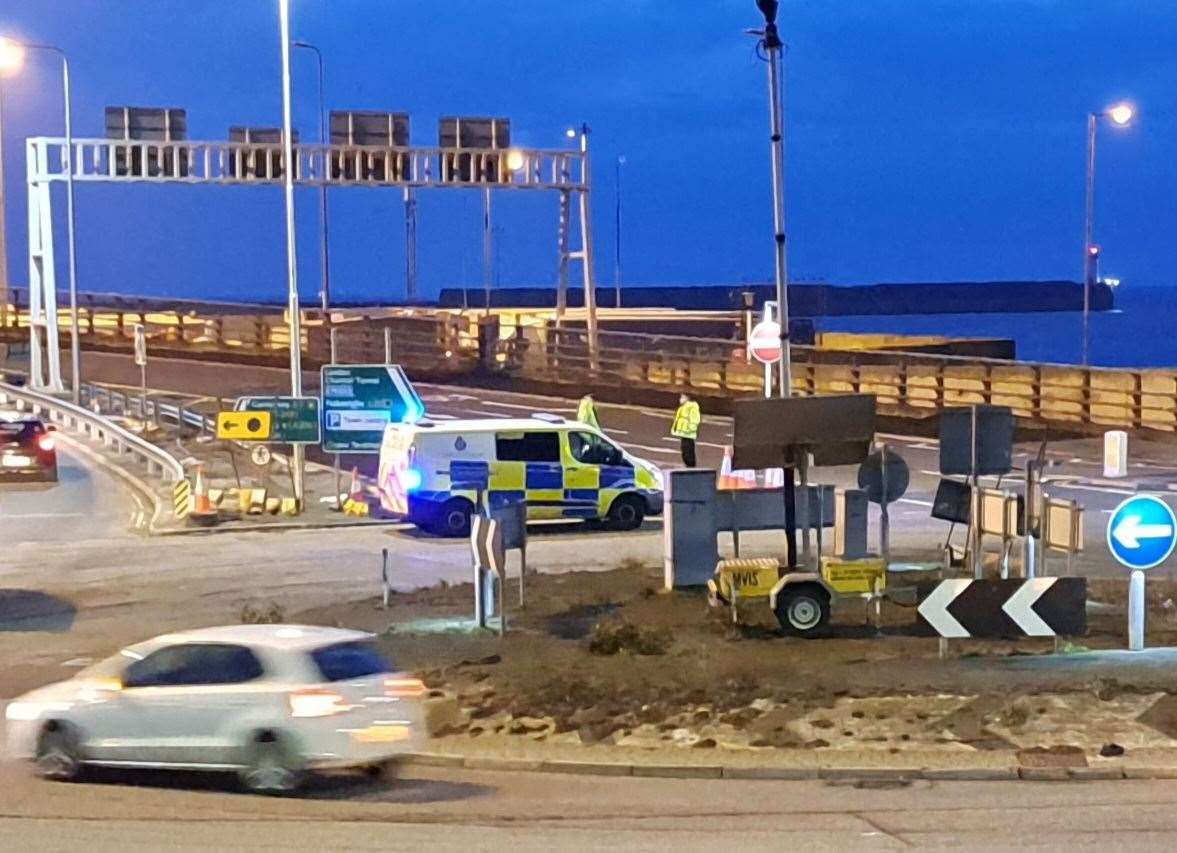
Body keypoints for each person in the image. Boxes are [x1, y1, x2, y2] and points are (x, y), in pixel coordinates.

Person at [670, 393, 701, 467]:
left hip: (688, 433)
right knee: (684, 451)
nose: (681, 399)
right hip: (683, 433)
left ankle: (691, 466)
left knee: (688, 451)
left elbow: (695, 419)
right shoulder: (683, 407)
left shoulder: (692, 407)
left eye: (683, 397)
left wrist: (691, 428)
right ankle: (688, 465)